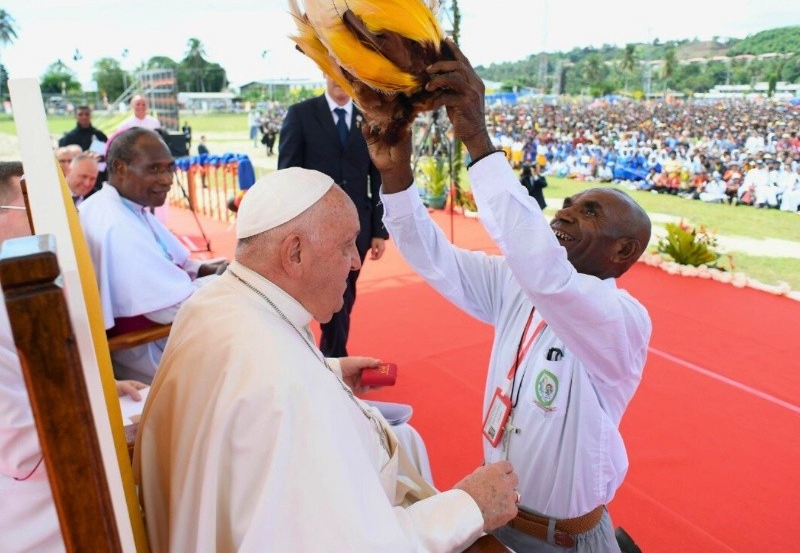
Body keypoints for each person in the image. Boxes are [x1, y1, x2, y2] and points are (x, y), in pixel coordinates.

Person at [134, 167, 520, 552]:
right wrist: (469, 505)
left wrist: (329, 371)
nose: (355, 261)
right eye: (346, 244)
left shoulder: (216, 299)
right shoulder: (288, 384)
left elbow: (241, 386)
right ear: (295, 253)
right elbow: (350, 544)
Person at [362, 40, 652, 552]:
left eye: (589, 213)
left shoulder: (620, 320)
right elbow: (434, 257)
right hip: (494, 515)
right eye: (567, 204)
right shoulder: (521, 284)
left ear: (623, 251)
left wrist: (476, 136)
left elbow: (544, 271)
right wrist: (395, 175)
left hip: (564, 541)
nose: (562, 214)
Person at [0, 161, 146, 553]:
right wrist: (103, 417)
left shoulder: (29, 281)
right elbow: (19, 445)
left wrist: (102, 385)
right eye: (30, 207)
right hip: (41, 509)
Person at [79, 128, 227, 382]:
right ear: (120, 167)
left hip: (164, 332)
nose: (168, 179)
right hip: (151, 350)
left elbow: (168, 259)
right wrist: (229, 280)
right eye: (154, 169)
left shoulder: (121, 205)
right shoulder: (116, 223)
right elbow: (169, 307)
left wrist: (204, 270)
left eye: (170, 168)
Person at [278, 75, 388, 357]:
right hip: (310, 227)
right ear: (325, 73)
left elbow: (378, 178)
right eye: (335, 71)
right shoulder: (301, 114)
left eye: (348, 74)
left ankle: (332, 356)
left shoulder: (370, 118)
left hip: (357, 227)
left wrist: (378, 229)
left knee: (344, 291)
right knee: (309, 290)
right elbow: (288, 174)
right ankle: (317, 354)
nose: (341, 80)